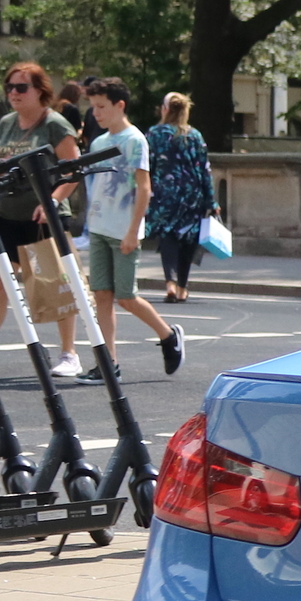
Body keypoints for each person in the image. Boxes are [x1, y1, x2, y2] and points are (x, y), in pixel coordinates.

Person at [0, 60, 83, 374]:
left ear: (40, 91)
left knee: (55, 287)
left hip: (43, 218)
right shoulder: (8, 122)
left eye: (21, 87)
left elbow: (73, 170)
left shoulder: (55, 125)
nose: (13, 93)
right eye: (9, 87)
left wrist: (51, 200)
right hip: (8, 215)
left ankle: (69, 354)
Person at [80, 76, 183, 380]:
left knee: (125, 296)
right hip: (99, 227)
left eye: (101, 107)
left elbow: (144, 188)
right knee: (101, 295)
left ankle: (168, 336)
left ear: (119, 105)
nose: (95, 113)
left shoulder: (134, 140)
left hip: (123, 230)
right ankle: (107, 363)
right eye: (93, 107)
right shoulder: (98, 142)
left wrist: (133, 230)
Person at [144, 91, 213, 301]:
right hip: (192, 194)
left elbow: (147, 165)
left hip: (164, 193)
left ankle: (170, 284)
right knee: (188, 240)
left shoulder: (154, 134)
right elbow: (204, 169)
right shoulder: (194, 135)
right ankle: (183, 287)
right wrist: (211, 200)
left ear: (165, 110)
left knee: (168, 237)